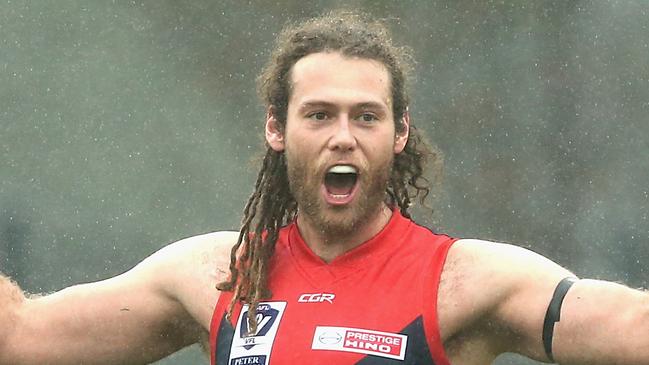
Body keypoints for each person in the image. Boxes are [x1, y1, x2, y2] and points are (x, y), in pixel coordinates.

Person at [0, 10, 647, 365]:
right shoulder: (216, 274)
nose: (343, 136)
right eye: (319, 114)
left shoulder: (464, 280)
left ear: (399, 133)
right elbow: (22, 336)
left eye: (365, 116)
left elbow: (625, 325)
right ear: (277, 128)